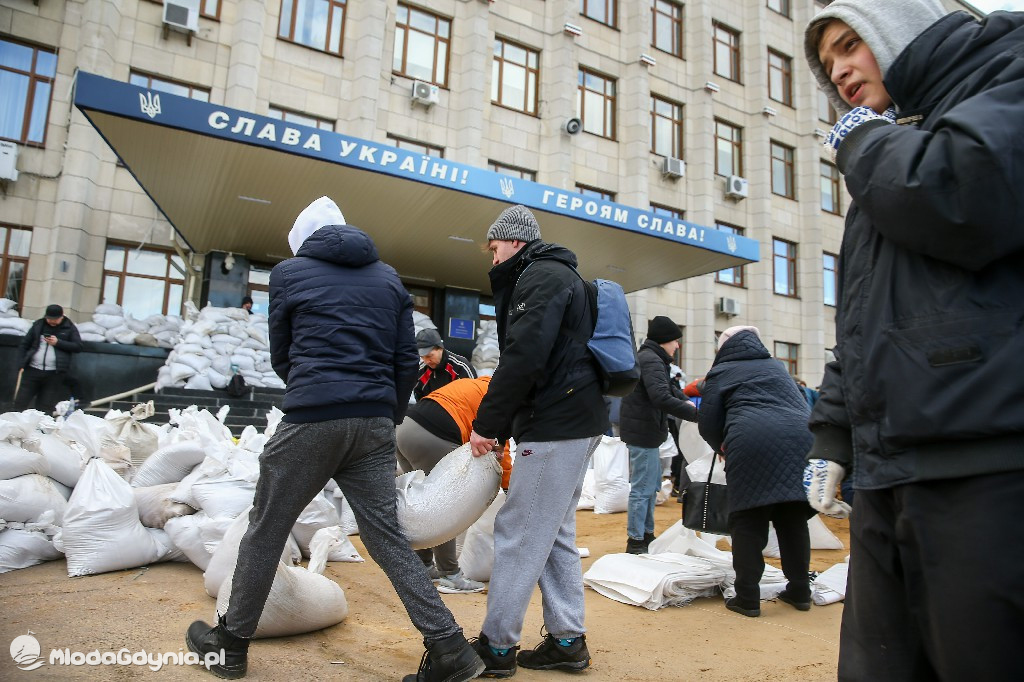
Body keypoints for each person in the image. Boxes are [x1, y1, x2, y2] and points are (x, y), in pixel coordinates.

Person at [803, 2, 1024, 678]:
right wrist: (833, 433)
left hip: (986, 467)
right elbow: (865, 317)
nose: (840, 71)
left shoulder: (1006, 71)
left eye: (850, 45)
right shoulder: (896, 140)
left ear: (897, 28)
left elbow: (965, 193)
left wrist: (863, 142)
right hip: (888, 471)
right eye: (828, 62)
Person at [185, 196, 484, 682]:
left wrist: (312, 389)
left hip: (312, 419)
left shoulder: (288, 273)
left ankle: (231, 645)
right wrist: (386, 414)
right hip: (374, 424)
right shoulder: (388, 278)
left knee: (267, 528)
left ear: (302, 240)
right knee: (387, 538)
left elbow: (282, 352)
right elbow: (403, 359)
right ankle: (450, 647)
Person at [467, 204, 608, 677]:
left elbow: (524, 357)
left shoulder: (541, 277)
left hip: (556, 425)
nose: (492, 258)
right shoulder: (558, 276)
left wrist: (488, 424)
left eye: (495, 248)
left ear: (515, 241)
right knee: (554, 533)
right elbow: (542, 361)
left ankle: (497, 646)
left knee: (520, 531)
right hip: (572, 419)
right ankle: (567, 642)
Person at [697, 326, 813, 618]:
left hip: (751, 440)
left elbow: (708, 422)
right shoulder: (777, 367)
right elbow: (802, 404)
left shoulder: (721, 371)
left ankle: (747, 598)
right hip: (800, 440)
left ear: (724, 347)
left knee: (749, 518)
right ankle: (800, 591)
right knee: (792, 517)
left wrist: (721, 446)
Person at [396, 375, 512, 594]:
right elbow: (500, 448)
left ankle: (423, 565)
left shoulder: (478, 384)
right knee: (443, 506)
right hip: (433, 436)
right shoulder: (500, 399)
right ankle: (450, 575)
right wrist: (508, 486)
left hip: (404, 430)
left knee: (422, 504)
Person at [619, 316, 696, 553]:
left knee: (650, 487)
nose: (678, 346)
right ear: (664, 340)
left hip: (647, 432)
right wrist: (696, 414)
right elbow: (661, 397)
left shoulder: (654, 359)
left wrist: (688, 402)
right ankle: (636, 541)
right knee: (643, 489)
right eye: (675, 341)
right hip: (643, 433)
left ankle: (646, 535)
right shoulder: (651, 360)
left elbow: (669, 388)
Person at [15, 304, 83, 412]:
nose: (52, 321)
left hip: (54, 373)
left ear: (61, 317)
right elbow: (24, 344)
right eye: (49, 319)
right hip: (32, 369)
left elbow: (78, 346)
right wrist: (21, 363)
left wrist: (58, 343)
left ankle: (43, 423)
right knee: (21, 401)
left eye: (55, 319)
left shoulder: (69, 327)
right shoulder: (38, 325)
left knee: (46, 406)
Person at [413, 328, 476, 401]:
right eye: (422, 357)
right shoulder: (421, 372)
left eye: (429, 356)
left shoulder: (461, 367)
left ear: (440, 348)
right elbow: (420, 400)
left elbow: (474, 396)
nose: (426, 361)